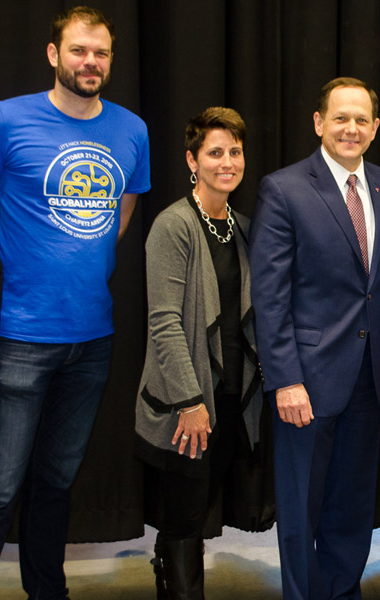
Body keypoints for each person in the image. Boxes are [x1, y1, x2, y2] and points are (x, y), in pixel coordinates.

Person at [0, 6, 151, 600]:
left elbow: (122, 209)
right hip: (16, 338)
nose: (91, 62)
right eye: (80, 50)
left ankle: (46, 592)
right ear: (54, 54)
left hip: (91, 338)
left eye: (102, 53)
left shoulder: (131, 129)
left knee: (56, 483)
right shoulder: (4, 122)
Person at [249, 76, 380, 599]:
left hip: (369, 377)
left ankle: (342, 591)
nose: (351, 128)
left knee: (352, 504)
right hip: (307, 382)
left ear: (376, 128)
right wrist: (285, 380)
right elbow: (269, 297)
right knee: (301, 507)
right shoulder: (284, 188)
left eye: (362, 119)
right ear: (319, 123)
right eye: (340, 117)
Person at [134, 107, 263, 599]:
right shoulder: (173, 226)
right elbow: (163, 323)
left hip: (231, 398)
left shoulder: (244, 227)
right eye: (215, 152)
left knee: (197, 507)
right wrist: (190, 402)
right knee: (186, 514)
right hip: (187, 402)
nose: (227, 161)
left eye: (234, 151)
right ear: (192, 160)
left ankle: (169, 578)